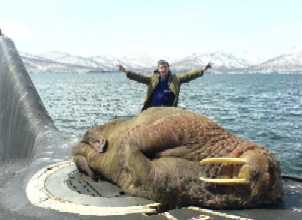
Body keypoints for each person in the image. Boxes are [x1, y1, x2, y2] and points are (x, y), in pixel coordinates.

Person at [118, 60, 211, 111]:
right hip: (152, 109)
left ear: (168, 68)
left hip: (169, 109)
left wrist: (203, 70)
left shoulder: (176, 79)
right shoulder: (152, 79)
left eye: (165, 67)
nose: (163, 69)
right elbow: (138, 77)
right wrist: (126, 71)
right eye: (161, 67)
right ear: (158, 69)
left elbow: (189, 75)